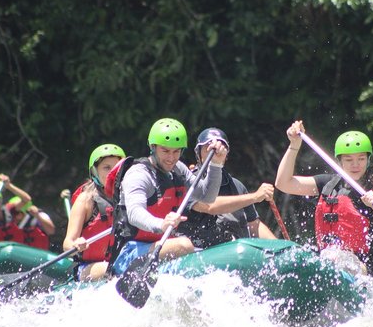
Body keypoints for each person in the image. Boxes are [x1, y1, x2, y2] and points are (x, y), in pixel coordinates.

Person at [275, 120, 373, 279]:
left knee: (338, 261)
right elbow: (283, 184)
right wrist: (294, 145)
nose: (356, 165)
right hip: (333, 262)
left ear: (368, 160)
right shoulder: (328, 183)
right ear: (339, 161)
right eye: (349, 160)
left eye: (361, 159)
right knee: (326, 260)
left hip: (367, 272)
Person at [110, 117, 228, 276]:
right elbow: (134, 213)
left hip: (163, 247)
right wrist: (161, 224)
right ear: (153, 147)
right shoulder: (139, 174)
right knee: (184, 245)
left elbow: (207, 196)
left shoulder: (178, 169)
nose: (171, 158)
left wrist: (216, 164)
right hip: (130, 252)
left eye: (176, 151)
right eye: (165, 151)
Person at [180, 127, 277, 248]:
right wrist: (255, 197)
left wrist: (280, 247)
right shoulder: (189, 182)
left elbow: (254, 225)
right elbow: (210, 206)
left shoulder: (237, 186)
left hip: (236, 249)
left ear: (226, 156)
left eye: (219, 149)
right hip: (201, 251)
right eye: (207, 148)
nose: (214, 153)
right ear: (198, 154)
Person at [62, 143, 126, 281]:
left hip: (120, 262)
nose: (112, 173)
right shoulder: (85, 200)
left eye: (116, 168)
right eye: (106, 168)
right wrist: (75, 245)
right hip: (86, 267)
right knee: (112, 269)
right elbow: (67, 243)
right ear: (95, 172)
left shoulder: (128, 197)